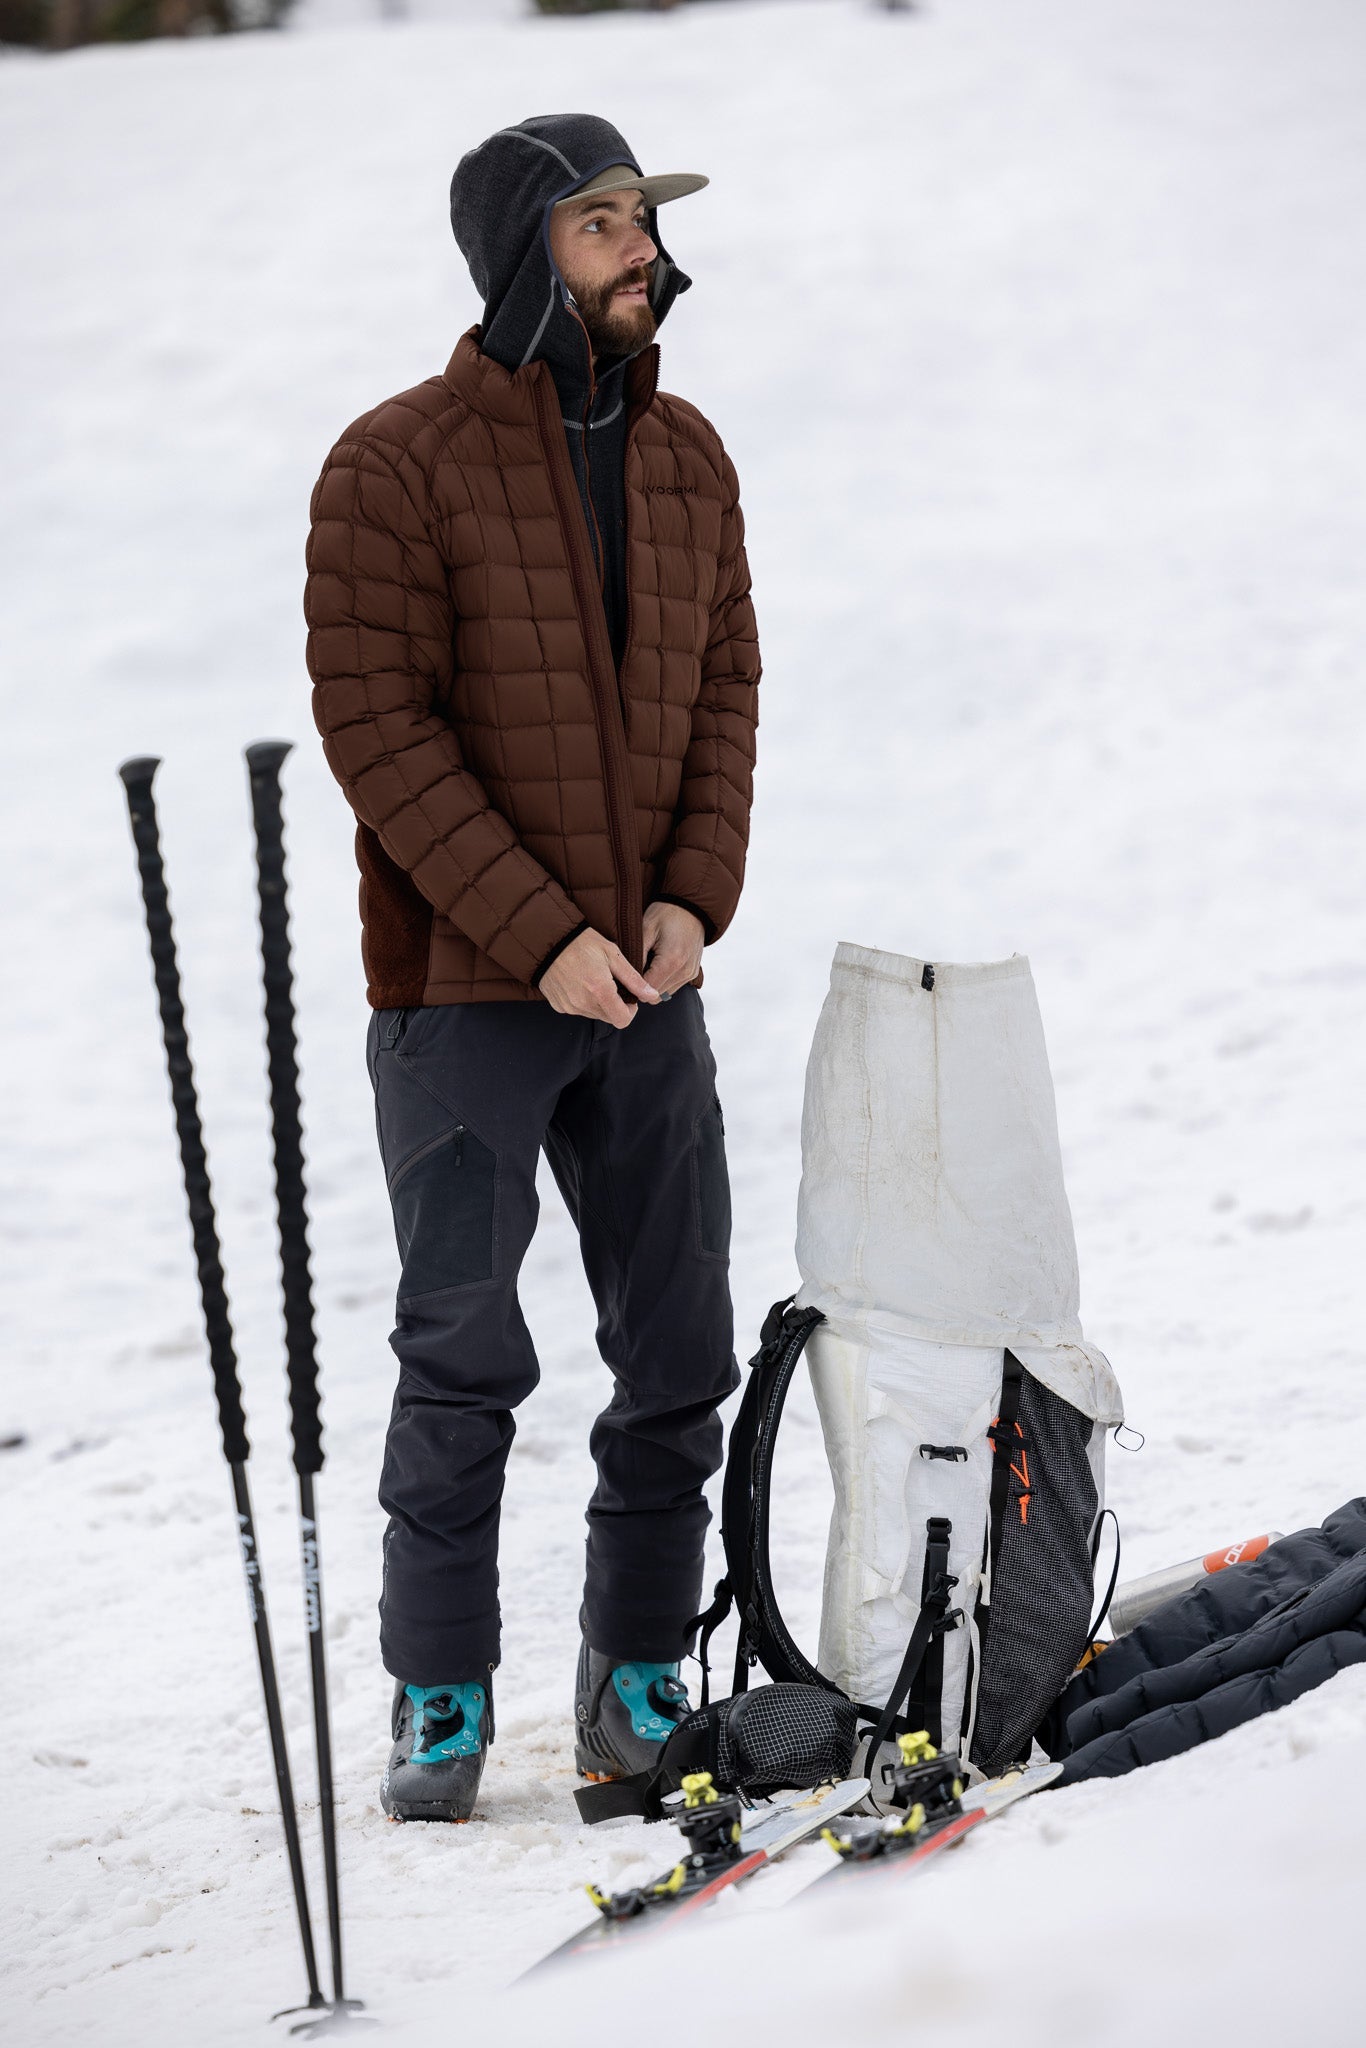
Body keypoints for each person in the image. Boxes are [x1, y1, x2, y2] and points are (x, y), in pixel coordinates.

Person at [304, 114, 760, 1821]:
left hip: (650, 985)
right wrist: (541, 936)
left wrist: (686, 906)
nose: (641, 251)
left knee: (679, 1347)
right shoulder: (392, 466)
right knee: (464, 1354)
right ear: (521, 253)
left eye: (644, 219)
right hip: (461, 997)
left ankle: (635, 1673)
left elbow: (724, 692)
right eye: (601, 227)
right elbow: (380, 733)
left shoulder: (689, 456)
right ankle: (438, 1694)